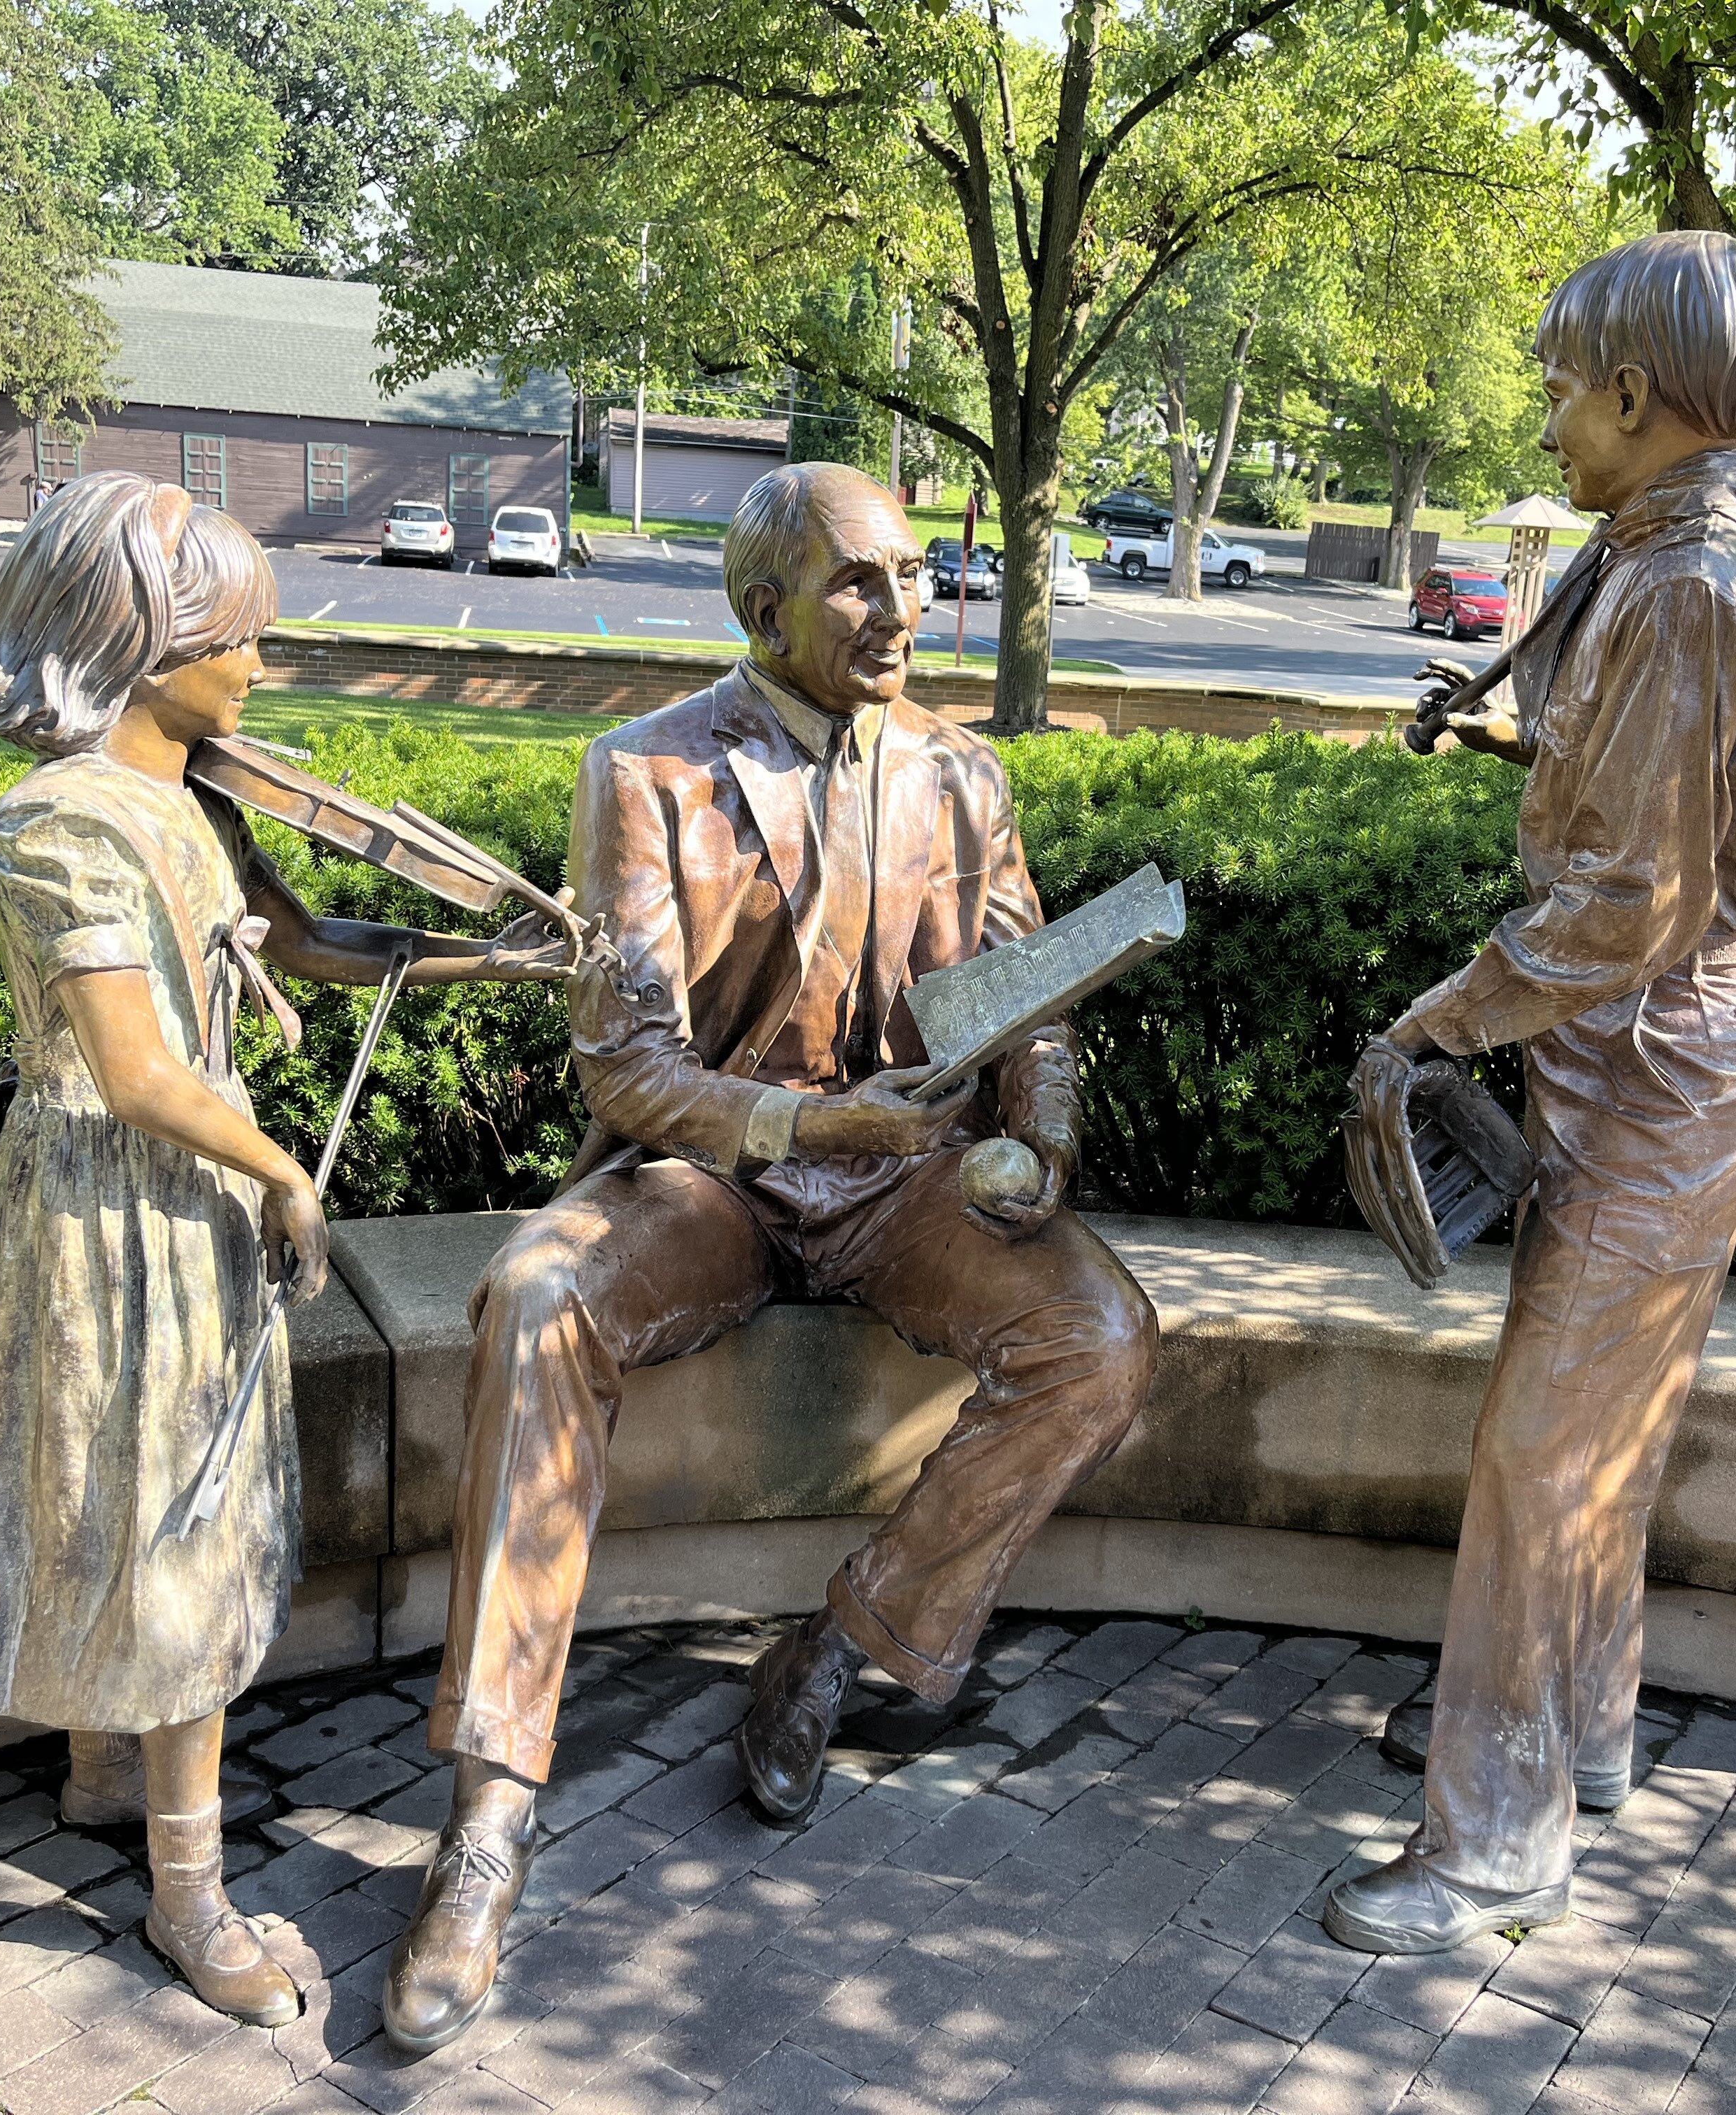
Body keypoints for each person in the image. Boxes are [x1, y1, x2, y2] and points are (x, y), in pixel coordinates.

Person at [382, 461, 1158, 2054]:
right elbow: (628, 1070)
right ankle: (486, 1817)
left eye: (914, 575)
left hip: (914, 1184)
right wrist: (807, 1134)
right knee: (536, 1298)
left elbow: (1035, 987)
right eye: (860, 583)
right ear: (765, 608)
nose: (901, 610)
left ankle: (843, 1645)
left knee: (1101, 1334)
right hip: (720, 1173)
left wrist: (1044, 1140)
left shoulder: (963, 774)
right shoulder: (645, 773)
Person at [0, 473, 564, 2023]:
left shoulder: (192, 798)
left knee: (145, 1504)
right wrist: (285, 1169)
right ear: (147, 639)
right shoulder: (59, 819)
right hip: (111, 1212)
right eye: (242, 639)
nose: (262, 669)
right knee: (154, 1517)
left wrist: (513, 957)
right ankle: (188, 1895)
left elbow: (318, 952)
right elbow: (135, 1072)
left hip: (181, 1197)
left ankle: (101, 1785)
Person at [1321, 232, 1736, 1956]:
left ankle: (1495, 1838)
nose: (1544, 423)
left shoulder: (1686, 579)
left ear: (1629, 391)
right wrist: (1526, 745)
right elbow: (1657, 792)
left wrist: (1438, 1022)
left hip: (1651, 1066)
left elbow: (1627, 904)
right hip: (1662, 1067)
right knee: (1598, 1443)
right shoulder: (1691, 555)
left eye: (1556, 388)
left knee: (1543, 1461)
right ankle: (1576, 1730)